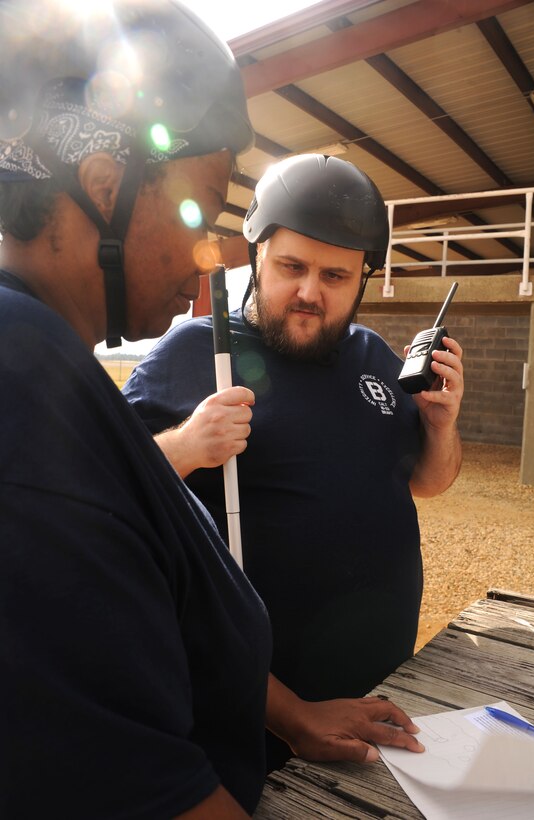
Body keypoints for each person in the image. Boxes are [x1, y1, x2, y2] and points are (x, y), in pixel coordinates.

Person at [0, 5, 425, 818]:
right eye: (200, 204)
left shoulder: (50, 361)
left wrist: (294, 715)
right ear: (103, 189)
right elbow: (107, 768)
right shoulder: (26, 393)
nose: (213, 251)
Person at [123, 152, 464, 770]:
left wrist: (441, 427)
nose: (310, 292)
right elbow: (109, 485)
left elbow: (428, 482)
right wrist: (184, 444)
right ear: (256, 255)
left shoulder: (375, 359)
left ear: (364, 279)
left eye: (335, 277)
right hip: (251, 712)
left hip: (381, 696)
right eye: (291, 267)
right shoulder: (194, 350)